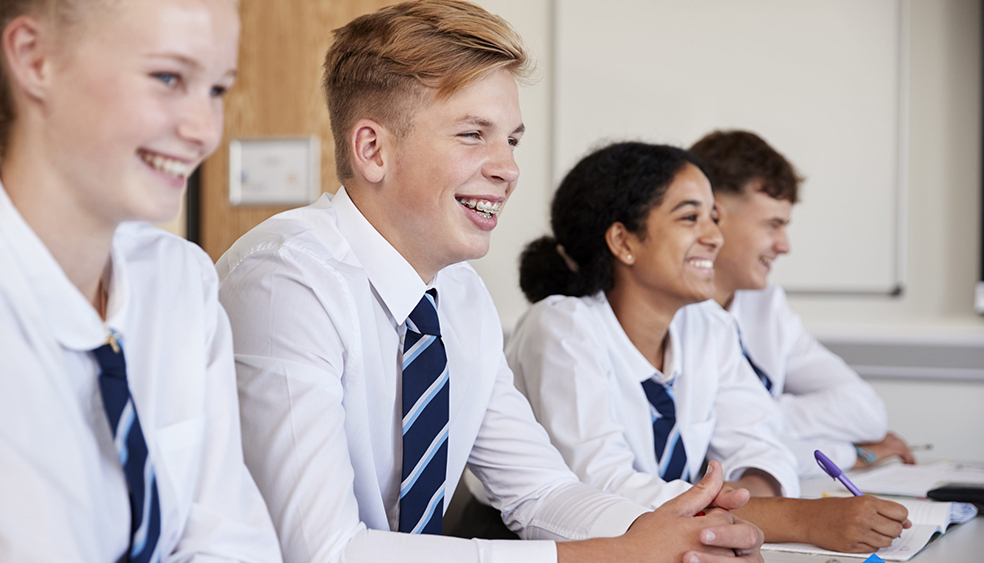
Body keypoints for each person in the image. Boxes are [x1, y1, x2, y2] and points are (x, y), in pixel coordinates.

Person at [216, 2, 764, 562]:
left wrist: (688, 534)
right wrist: (609, 556)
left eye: (513, 140)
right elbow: (326, 552)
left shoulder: (460, 296)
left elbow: (539, 490)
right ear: (373, 150)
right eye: (473, 134)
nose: (508, 168)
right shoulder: (285, 280)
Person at [0, 0, 283, 561]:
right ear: (34, 58)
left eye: (217, 90)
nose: (205, 132)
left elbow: (231, 542)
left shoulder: (179, 282)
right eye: (168, 78)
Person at [507, 141, 912, 553]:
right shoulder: (562, 327)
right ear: (623, 241)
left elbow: (762, 445)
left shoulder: (707, 325)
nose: (715, 237)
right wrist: (796, 519)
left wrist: (736, 507)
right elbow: (602, 489)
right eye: (690, 218)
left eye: (714, 218)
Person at [688, 130, 915, 476]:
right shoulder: (671, 312)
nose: (784, 245)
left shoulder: (765, 304)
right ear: (713, 216)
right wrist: (850, 455)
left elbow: (866, 412)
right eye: (772, 225)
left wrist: (759, 416)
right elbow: (717, 458)